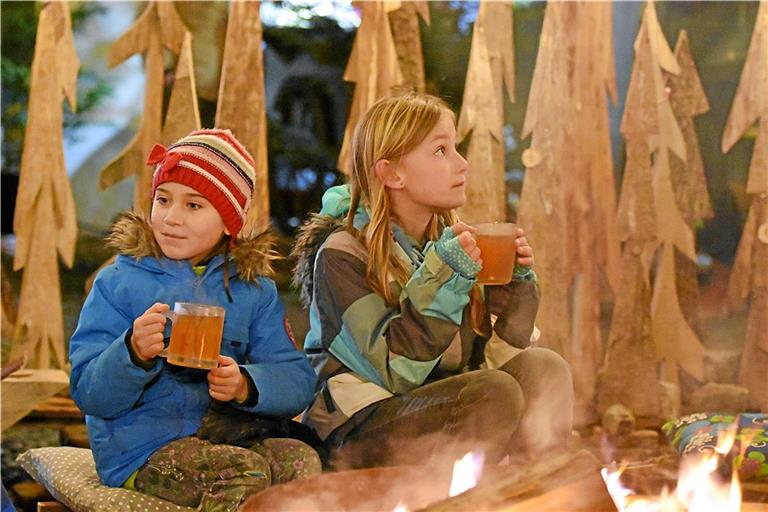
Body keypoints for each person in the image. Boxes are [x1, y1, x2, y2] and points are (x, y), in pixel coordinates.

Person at [292, 93, 574, 469]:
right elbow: (395, 372)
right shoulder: (342, 254)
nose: (462, 164)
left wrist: (514, 291)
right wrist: (444, 277)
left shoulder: (443, 247)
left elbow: (486, 361)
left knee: (543, 368)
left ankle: (543, 494)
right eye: (441, 151)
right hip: (357, 428)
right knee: (491, 392)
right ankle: (461, 500)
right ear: (392, 173)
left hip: (435, 406)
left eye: (455, 147)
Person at [69, 129, 319, 512]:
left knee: (301, 461)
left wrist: (245, 384)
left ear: (229, 221)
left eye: (193, 206)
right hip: (141, 448)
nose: (171, 218)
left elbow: (297, 380)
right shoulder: (119, 282)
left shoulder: (253, 291)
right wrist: (132, 353)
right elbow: (88, 392)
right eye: (163, 200)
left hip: (228, 437)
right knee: (244, 472)